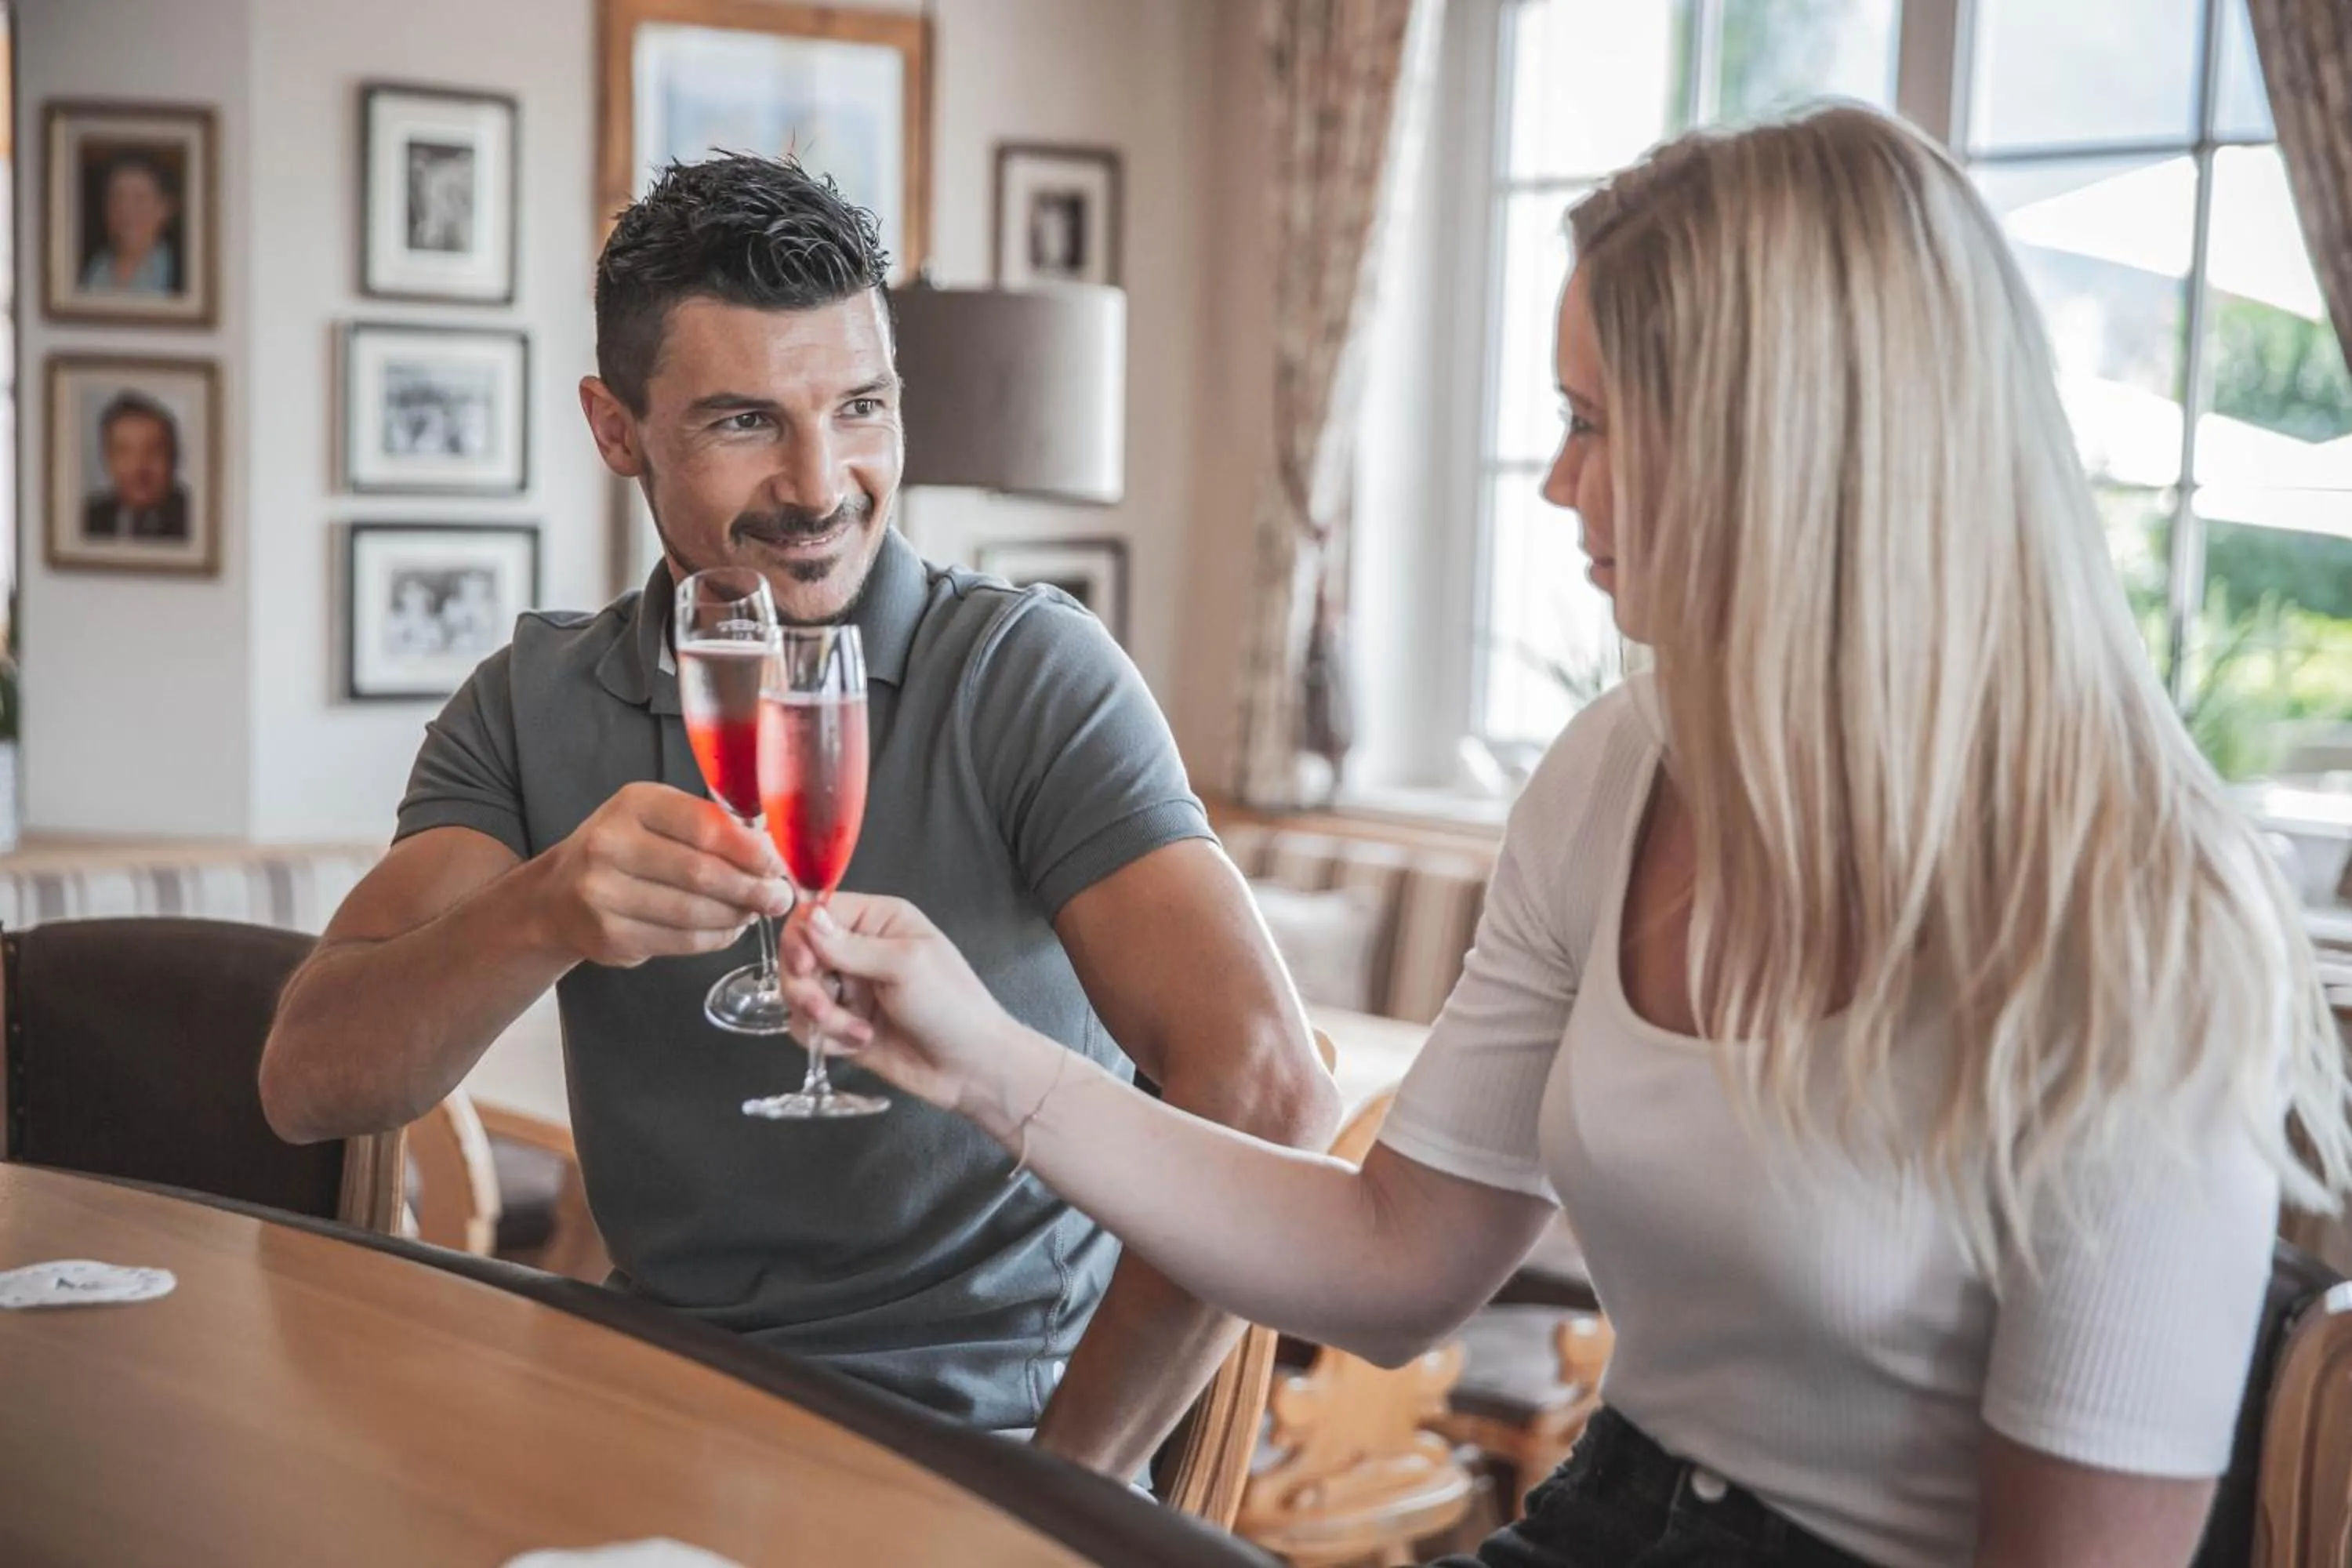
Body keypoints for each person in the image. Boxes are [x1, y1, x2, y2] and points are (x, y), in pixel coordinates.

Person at [770, 105, 2352, 1568]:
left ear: (1781, 451)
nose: (1553, 482)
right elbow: (1395, 1260)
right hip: (1606, 1514)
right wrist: (984, 1058)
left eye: (1594, 422)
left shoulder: (2145, 920)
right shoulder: (1619, 770)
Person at [259, 154, 1338, 1475]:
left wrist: (1072, 1491)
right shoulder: (534, 704)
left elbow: (1271, 1091)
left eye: (860, 409)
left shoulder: (1027, 678)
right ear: (617, 431)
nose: (822, 484)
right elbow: (310, 1084)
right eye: (743, 422)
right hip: (650, 1411)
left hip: (973, 1444)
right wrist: (539, 913)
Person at [82, 393, 190, 542]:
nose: (138, 467)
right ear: (107, 459)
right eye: (123, 452)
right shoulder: (88, 516)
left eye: (153, 451)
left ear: (173, 457)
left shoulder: (194, 517)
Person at [79, 154, 179, 296]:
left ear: (164, 209)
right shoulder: (91, 267)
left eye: (140, 199)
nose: (126, 210)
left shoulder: (182, 272)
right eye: (116, 198)